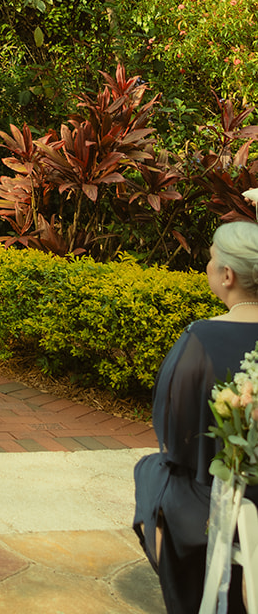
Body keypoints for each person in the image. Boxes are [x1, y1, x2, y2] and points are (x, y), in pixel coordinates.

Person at [133, 218, 258, 614]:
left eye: (210, 260)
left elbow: (175, 433)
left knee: (154, 472)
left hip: (224, 493)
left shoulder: (201, 337)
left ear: (227, 274)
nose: (206, 267)